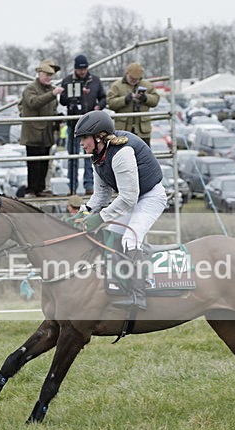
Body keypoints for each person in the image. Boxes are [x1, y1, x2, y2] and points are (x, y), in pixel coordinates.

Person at [72, 110, 167, 312]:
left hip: (151, 197)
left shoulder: (121, 153)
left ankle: (139, 296)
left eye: (84, 139)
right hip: (134, 199)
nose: (81, 144)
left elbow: (129, 197)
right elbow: (102, 195)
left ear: (99, 137)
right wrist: (85, 211)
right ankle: (120, 285)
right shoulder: (98, 155)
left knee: (130, 239)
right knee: (110, 235)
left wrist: (100, 218)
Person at [60, 54, 107, 195]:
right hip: (73, 124)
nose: (83, 71)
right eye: (80, 69)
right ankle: (72, 187)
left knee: (91, 156)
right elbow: (62, 100)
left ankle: (89, 185)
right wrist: (76, 93)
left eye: (85, 68)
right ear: (75, 69)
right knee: (72, 157)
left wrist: (98, 107)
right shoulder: (67, 81)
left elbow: (103, 97)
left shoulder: (95, 81)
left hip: (91, 126)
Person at [20, 59, 63, 198]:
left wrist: (57, 118)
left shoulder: (51, 89)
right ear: (39, 74)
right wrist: (52, 94)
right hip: (33, 133)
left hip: (47, 133)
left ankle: (41, 188)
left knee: (44, 162)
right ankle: (32, 190)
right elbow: (33, 103)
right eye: (46, 75)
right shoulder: (30, 88)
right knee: (34, 163)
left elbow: (52, 108)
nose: (48, 78)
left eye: (50, 76)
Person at [107, 63, 160, 147]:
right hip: (123, 130)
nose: (134, 81)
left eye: (136, 79)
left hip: (142, 131)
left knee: (143, 157)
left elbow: (156, 100)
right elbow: (110, 103)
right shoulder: (116, 86)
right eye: (132, 78)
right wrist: (125, 99)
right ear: (127, 73)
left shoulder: (148, 85)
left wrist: (145, 98)